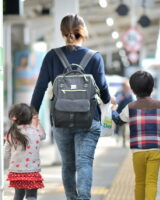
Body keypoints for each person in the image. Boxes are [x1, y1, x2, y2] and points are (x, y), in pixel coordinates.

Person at [30, 14, 113, 200]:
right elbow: (103, 88)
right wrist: (108, 101)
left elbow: (40, 87)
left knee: (68, 165)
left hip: (61, 120)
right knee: (84, 163)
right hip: (88, 119)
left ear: (62, 33)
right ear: (83, 32)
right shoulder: (94, 57)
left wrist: (33, 113)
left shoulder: (52, 56)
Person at [112, 70, 160, 200]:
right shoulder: (159, 105)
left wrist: (112, 111)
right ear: (151, 88)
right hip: (155, 150)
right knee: (151, 182)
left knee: (140, 182)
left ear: (133, 90)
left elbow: (118, 121)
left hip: (138, 151)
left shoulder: (130, 107)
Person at [5, 103, 46, 200]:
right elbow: (44, 136)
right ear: (30, 118)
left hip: (16, 172)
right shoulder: (36, 132)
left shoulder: (12, 133)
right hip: (32, 172)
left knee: (18, 195)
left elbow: (6, 153)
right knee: (31, 196)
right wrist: (38, 123)